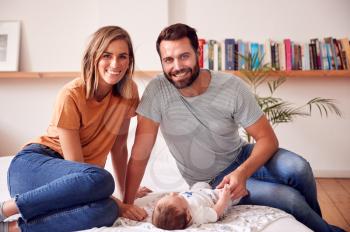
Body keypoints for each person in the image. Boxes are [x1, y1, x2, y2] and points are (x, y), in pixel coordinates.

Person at [123, 23, 345, 232]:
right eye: (168, 60)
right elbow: (140, 152)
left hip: (241, 155)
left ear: (197, 54)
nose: (177, 66)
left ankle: (320, 227)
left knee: (299, 168)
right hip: (211, 181)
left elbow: (268, 139)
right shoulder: (157, 92)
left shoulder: (230, 86)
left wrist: (242, 172)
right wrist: (127, 201)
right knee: (289, 198)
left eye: (184, 56)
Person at [0, 26, 149, 232]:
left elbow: (120, 147)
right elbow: (75, 165)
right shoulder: (71, 94)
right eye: (107, 55)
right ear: (93, 57)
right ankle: (5, 209)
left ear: (129, 61)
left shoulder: (128, 92)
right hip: (33, 169)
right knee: (102, 179)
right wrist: (115, 198)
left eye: (122, 56)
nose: (115, 64)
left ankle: (14, 228)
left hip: (79, 183)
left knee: (106, 211)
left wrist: (125, 199)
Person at [152, 182, 238, 230]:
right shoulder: (198, 214)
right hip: (214, 197)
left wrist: (175, 197)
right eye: (179, 198)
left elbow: (174, 197)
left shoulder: (179, 205)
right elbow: (215, 213)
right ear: (188, 215)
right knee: (233, 193)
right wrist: (223, 199)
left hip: (197, 193)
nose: (173, 193)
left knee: (200, 184)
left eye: (169, 196)